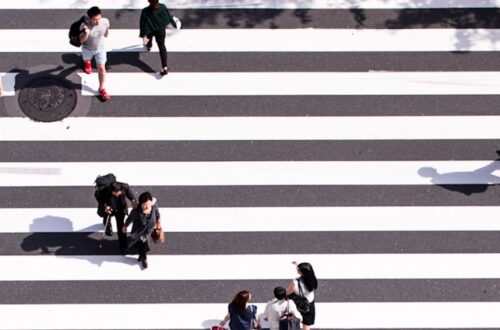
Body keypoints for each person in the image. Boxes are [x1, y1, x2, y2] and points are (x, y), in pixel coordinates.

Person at [79, 6, 111, 101]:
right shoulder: (84, 26)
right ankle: (87, 63)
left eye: (99, 18)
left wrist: (106, 33)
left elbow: (107, 28)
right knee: (86, 59)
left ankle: (101, 88)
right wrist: (86, 33)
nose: (97, 21)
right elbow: (80, 41)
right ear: (90, 18)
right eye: (94, 20)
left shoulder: (105, 21)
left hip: (100, 49)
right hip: (87, 48)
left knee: (101, 67)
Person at [122, 191, 161, 269]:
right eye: (144, 204)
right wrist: (125, 226)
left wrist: (158, 222)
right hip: (139, 232)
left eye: (148, 204)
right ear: (141, 204)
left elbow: (157, 213)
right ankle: (144, 258)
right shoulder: (136, 211)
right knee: (142, 243)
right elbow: (129, 219)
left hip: (149, 231)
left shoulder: (153, 206)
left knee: (143, 243)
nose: (146, 206)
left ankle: (141, 256)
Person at [96, 181, 137, 253]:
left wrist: (133, 200)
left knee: (120, 226)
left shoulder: (124, 186)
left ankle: (123, 245)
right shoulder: (104, 191)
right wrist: (105, 207)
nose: (120, 193)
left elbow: (130, 194)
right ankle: (107, 224)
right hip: (110, 207)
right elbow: (100, 199)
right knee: (107, 216)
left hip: (120, 209)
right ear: (112, 191)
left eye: (120, 191)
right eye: (117, 192)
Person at [139, 0, 177, 75]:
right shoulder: (163, 7)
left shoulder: (145, 11)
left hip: (150, 31)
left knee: (149, 41)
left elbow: (143, 24)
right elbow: (168, 16)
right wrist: (174, 24)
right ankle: (164, 66)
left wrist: (143, 35)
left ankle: (149, 46)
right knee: (162, 46)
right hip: (160, 30)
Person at [286, 262, 318, 330]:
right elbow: (307, 271)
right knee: (306, 324)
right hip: (309, 303)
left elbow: (287, 292)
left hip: (297, 304)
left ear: (301, 272)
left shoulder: (296, 282)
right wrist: (298, 265)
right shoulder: (313, 279)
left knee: (293, 322)